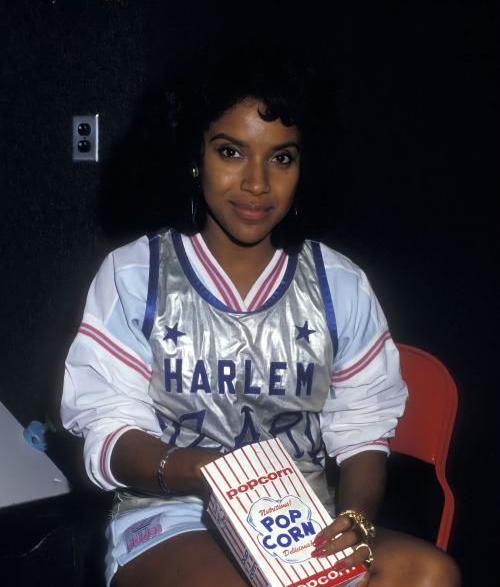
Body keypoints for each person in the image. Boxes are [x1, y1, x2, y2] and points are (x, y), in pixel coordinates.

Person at [61, 47, 461, 587]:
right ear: (194, 154)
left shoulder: (337, 282)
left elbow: (362, 427)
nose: (257, 183)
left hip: (303, 514)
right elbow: (107, 432)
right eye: (232, 151)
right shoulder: (136, 274)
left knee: (430, 573)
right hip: (173, 514)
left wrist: (358, 517)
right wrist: (205, 472)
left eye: (282, 157)